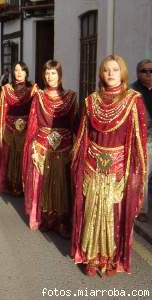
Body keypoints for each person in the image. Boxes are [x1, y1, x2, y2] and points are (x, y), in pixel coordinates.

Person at [71, 55, 147, 277]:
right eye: (106, 70)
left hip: (118, 169)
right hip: (92, 164)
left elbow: (137, 142)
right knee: (91, 211)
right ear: (101, 74)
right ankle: (91, 258)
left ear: (122, 72)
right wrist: (79, 163)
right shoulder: (91, 101)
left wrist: (134, 175)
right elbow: (83, 136)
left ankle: (110, 259)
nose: (111, 74)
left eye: (115, 69)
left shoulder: (134, 101)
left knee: (113, 213)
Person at [22, 60, 77, 238]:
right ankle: (46, 218)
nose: (49, 76)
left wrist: (75, 147)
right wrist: (31, 145)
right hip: (42, 145)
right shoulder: (38, 96)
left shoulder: (71, 97)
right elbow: (33, 123)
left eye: (53, 73)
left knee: (62, 183)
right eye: (47, 73)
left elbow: (74, 125)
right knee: (43, 182)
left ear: (60, 75)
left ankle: (62, 221)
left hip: (64, 147)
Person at [0, 62, 37, 196]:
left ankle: (23, 185)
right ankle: (10, 184)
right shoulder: (6, 89)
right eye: (16, 70)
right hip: (9, 127)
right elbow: (1, 110)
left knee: (23, 155)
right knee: (9, 155)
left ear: (26, 72)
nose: (19, 73)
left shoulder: (33, 90)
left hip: (26, 129)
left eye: (22, 70)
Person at [131, 59, 152, 222]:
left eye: (151, 71)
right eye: (144, 71)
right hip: (145, 139)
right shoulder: (133, 93)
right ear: (138, 73)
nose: (148, 74)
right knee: (144, 174)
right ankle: (141, 209)